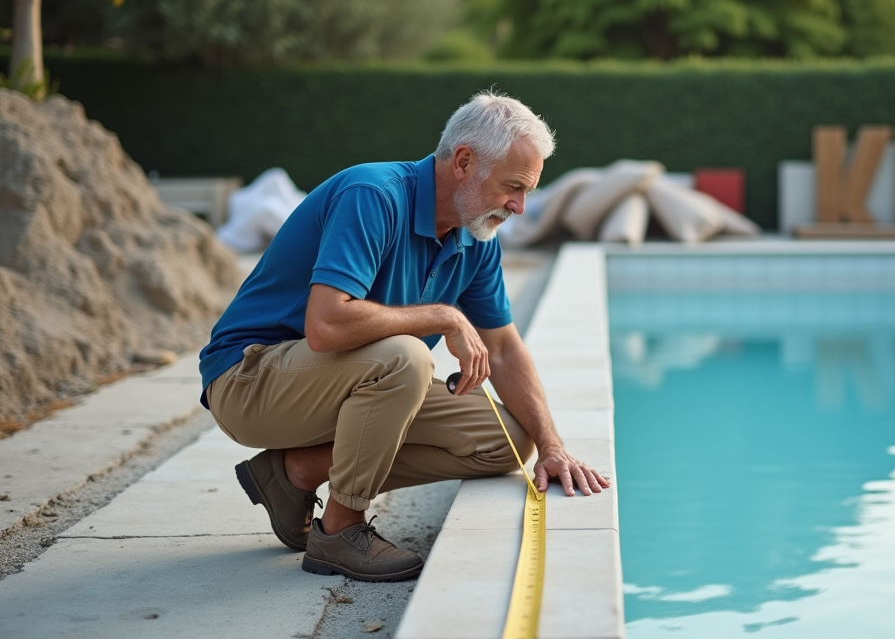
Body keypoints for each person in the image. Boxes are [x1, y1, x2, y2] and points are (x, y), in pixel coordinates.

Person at [198, 91, 610, 582]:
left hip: (345, 383)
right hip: (249, 381)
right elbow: (326, 326)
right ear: (464, 162)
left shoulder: (475, 235)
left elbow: (502, 348)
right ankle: (340, 530)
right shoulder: (373, 195)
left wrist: (552, 446)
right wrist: (444, 317)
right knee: (407, 358)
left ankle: (296, 473)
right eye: (512, 187)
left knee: (505, 443)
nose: (519, 207)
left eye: (526, 191)